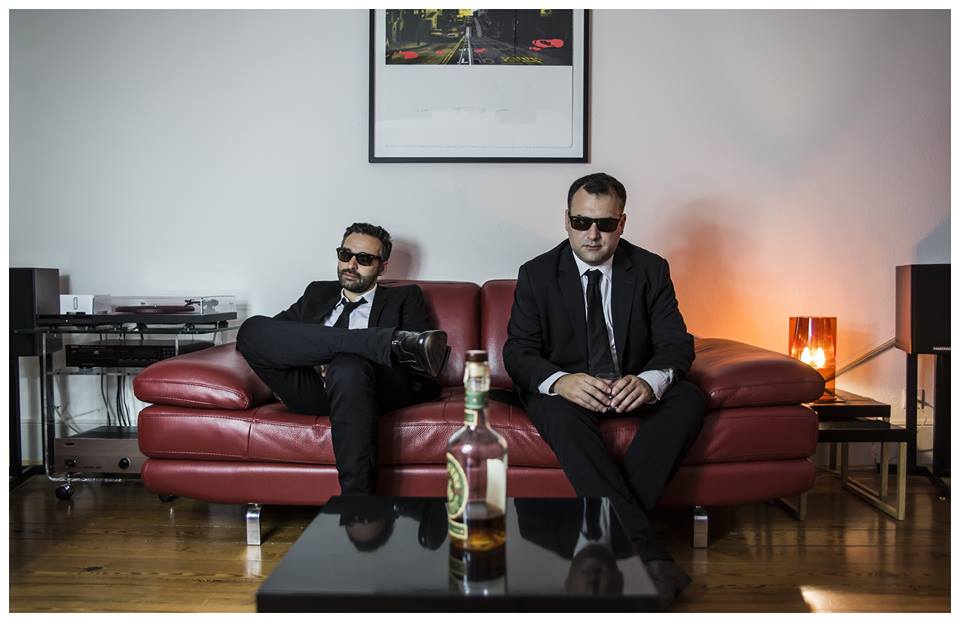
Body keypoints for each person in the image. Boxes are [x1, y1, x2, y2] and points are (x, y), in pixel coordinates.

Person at [502, 172, 707, 610]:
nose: (592, 234)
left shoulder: (651, 269)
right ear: (566, 220)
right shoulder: (537, 274)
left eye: (605, 224)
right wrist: (562, 381)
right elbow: (518, 352)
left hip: (630, 385)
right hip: (571, 393)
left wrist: (649, 382)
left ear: (622, 223)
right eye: (581, 222)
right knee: (557, 411)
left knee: (689, 398)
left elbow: (676, 344)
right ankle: (648, 556)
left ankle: (595, 536)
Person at [236, 222, 448, 496]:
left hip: (368, 390)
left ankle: (356, 504)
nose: (351, 265)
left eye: (364, 259)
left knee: (348, 365)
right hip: (312, 388)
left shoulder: (404, 297)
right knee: (251, 330)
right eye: (345, 254)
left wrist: (345, 355)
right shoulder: (317, 293)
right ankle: (383, 341)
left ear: (382, 267)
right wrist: (327, 350)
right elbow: (277, 339)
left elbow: (419, 366)